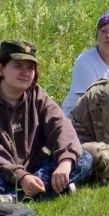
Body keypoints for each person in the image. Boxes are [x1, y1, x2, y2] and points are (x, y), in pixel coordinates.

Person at [0, 40, 93, 202]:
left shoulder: (37, 95)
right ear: (2, 68)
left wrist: (64, 163)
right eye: (18, 66)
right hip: (4, 171)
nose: (25, 72)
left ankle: (14, 198)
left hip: (34, 167)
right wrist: (21, 177)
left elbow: (61, 127)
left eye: (30, 68)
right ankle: (47, 190)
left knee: (83, 158)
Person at [62, 5, 109, 115]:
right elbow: (92, 103)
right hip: (82, 117)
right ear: (97, 36)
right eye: (104, 31)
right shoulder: (85, 61)